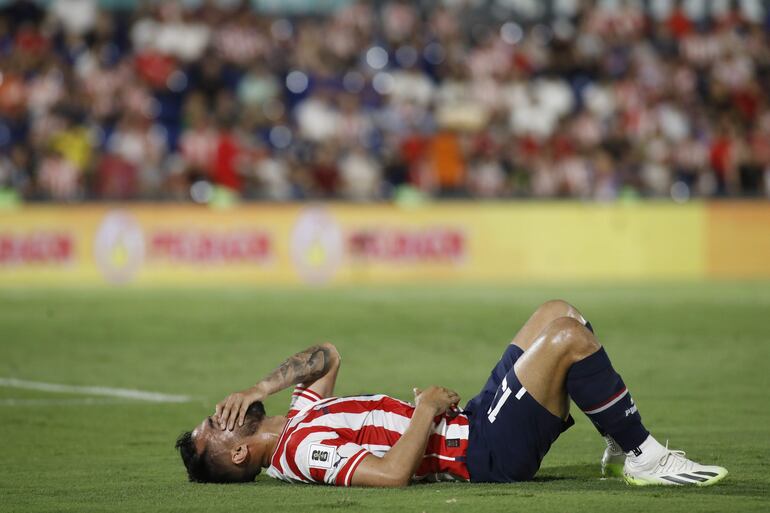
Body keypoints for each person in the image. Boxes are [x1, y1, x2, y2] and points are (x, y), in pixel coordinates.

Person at [175, 300, 728, 487]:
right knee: (567, 338)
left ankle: (614, 442)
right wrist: (424, 410)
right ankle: (645, 455)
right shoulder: (299, 454)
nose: (221, 412)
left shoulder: (298, 417)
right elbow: (390, 476)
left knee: (556, 312)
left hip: (474, 419)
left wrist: (259, 385)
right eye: (215, 425)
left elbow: (327, 354)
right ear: (238, 452)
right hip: (485, 452)